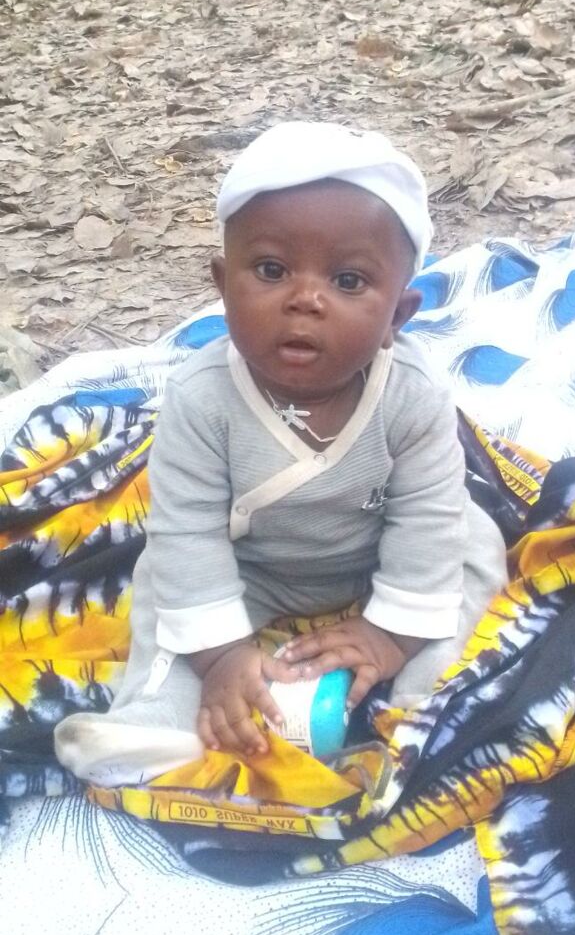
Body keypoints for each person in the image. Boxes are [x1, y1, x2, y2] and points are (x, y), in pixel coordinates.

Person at [55, 122, 506, 784]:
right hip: (254, 565)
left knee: (471, 547)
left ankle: (428, 705)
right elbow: (190, 530)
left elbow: (426, 520)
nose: (305, 299)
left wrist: (391, 632)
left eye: (348, 280)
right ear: (223, 284)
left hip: (381, 551)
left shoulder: (414, 396)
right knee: (164, 581)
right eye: (271, 270)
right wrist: (221, 652)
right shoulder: (201, 398)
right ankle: (154, 719)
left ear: (398, 316)